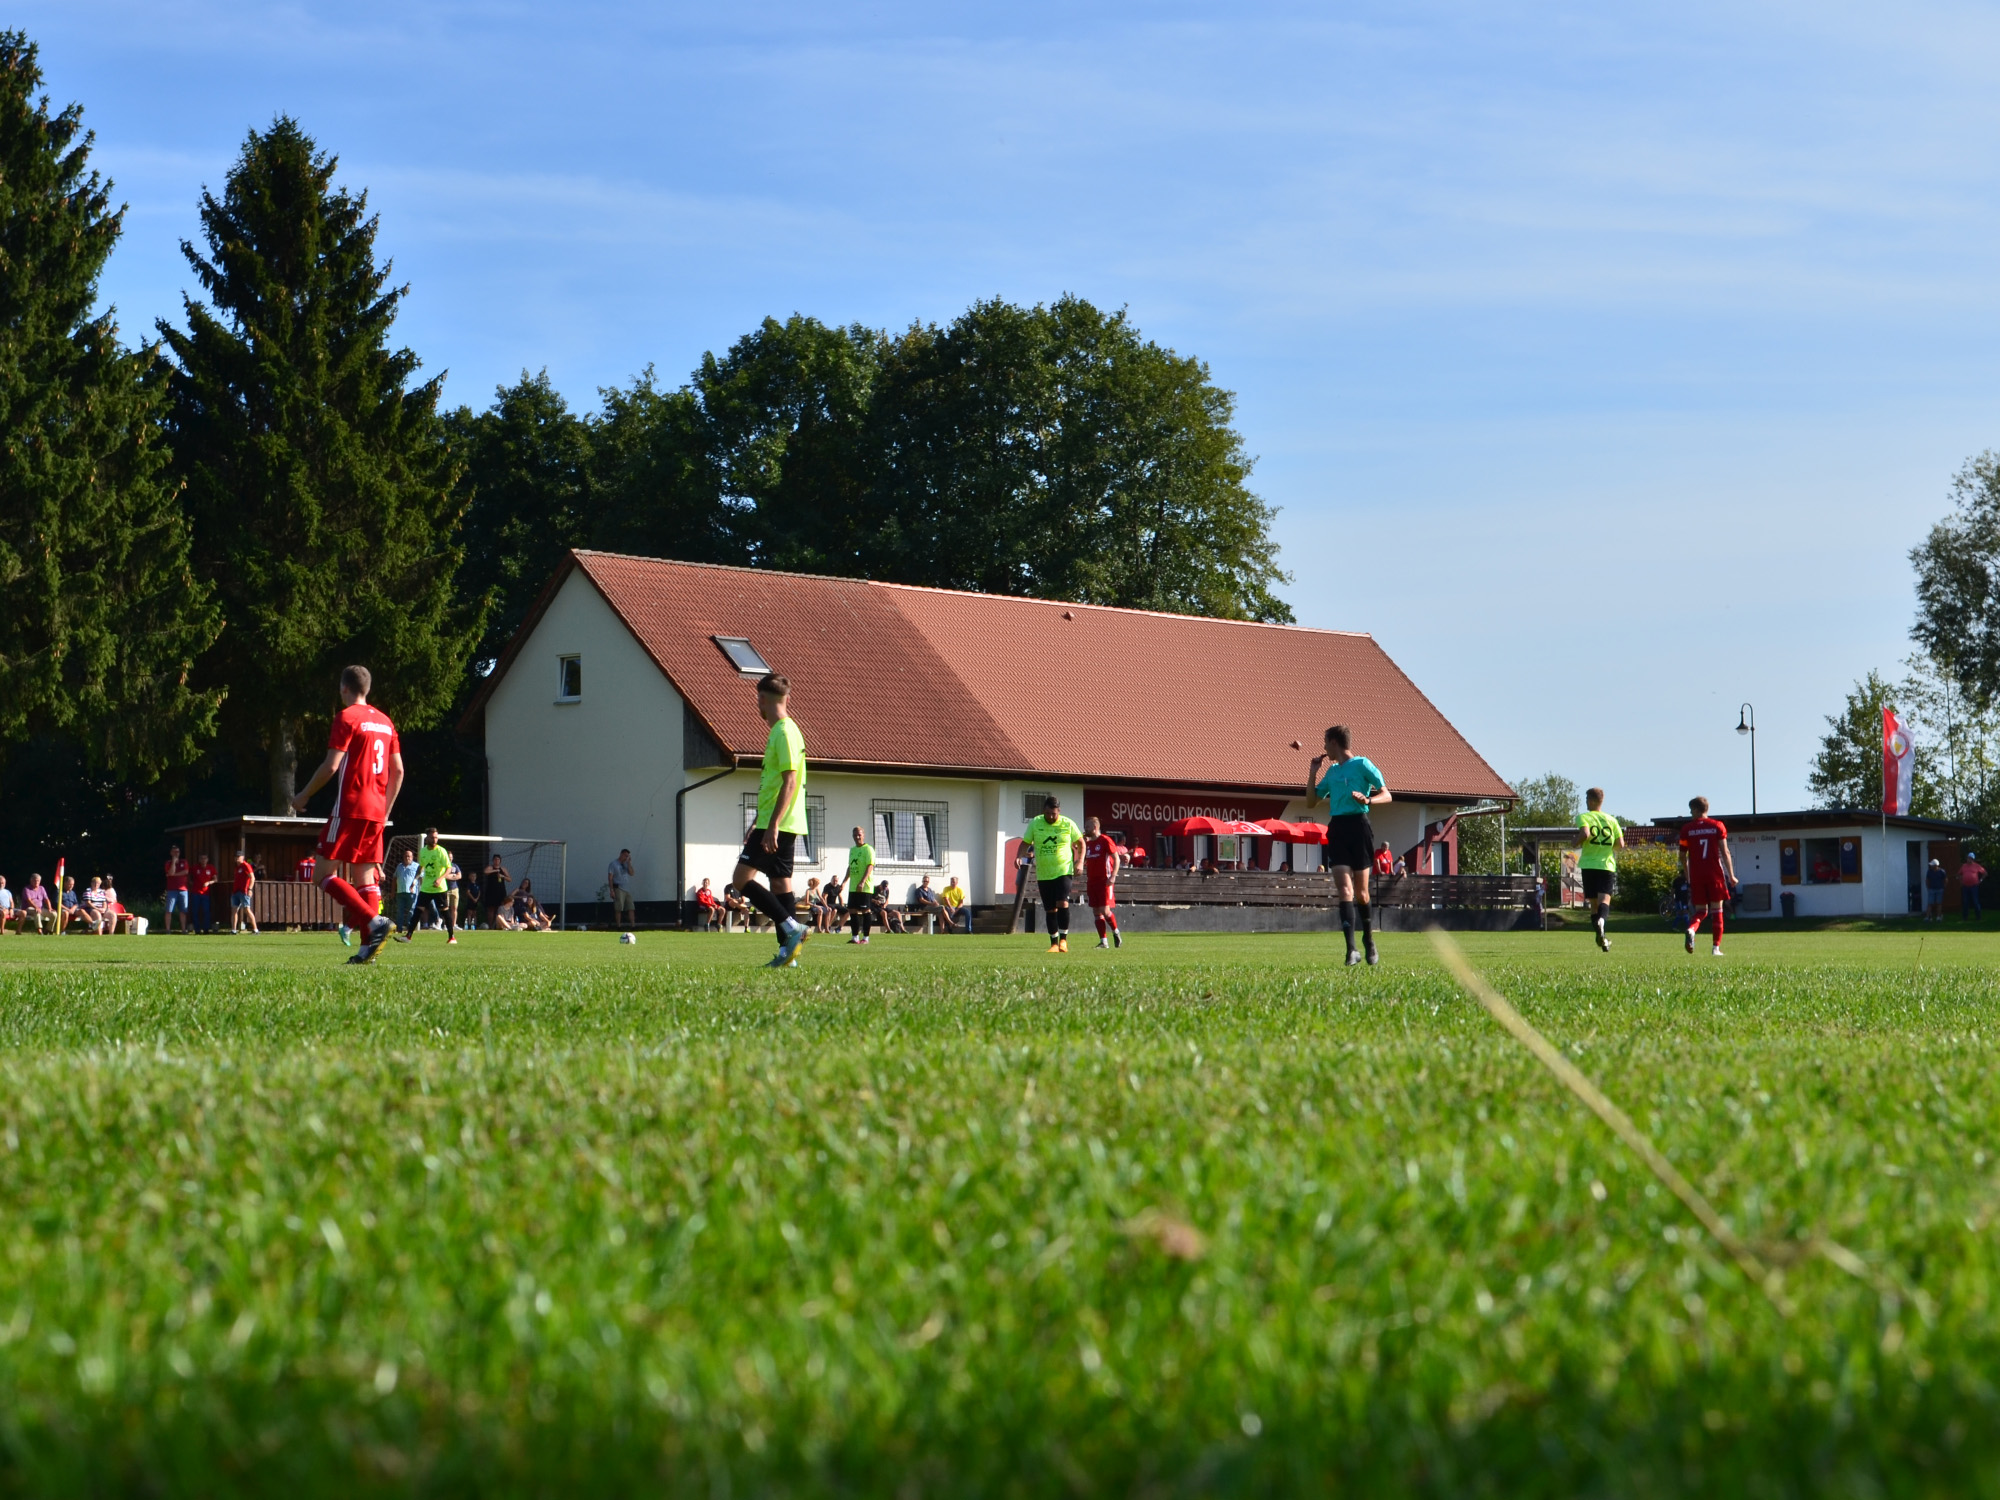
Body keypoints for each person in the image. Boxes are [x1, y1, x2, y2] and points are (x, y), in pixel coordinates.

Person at [289, 665, 402, 964]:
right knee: (366, 880)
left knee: (322, 874)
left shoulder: (347, 717)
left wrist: (303, 795)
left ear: (344, 689)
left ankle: (373, 921)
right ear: (368, 688)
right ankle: (368, 951)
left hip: (351, 807)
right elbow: (398, 770)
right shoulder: (386, 722)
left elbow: (331, 766)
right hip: (377, 811)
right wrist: (385, 810)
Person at [731, 673, 812, 967]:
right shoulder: (783, 730)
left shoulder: (784, 731)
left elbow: (790, 781)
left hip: (778, 822)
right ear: (787, 699)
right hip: (776, 820)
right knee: (780, 884)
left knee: (740, 879)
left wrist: (772, 824)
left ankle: (792, 928)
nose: (758, 705)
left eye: (758, 700)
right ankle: (787, 955)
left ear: (762, 700)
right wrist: (759, 819)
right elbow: (776, 784)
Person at [1310, 724, 1392, 966]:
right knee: (1344, 890)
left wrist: (1368, 799)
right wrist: (1313, 772)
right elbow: (1310, 802)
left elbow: (1387, 794)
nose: (1324, 747)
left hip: (1359, 828)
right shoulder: (1332, 772)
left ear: (1334, 742)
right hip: (1338, 828)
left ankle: (1368, 940)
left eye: (1326, 742)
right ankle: (1351, 950)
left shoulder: (1363, 765)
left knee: (1362, 893)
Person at [1023, 795, 1086, 953]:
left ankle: (1064, 941)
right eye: (1048, 813)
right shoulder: (1036, 823)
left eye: (1054, 814)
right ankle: (1053, 944)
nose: (1051, 817)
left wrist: (1079, 862)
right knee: (1050, 909)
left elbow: (1081, 843)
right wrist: (1019, 856)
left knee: (1062, 902)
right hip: (1044, 872)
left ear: (1059, 811)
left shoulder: (1068, 824)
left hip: (1063, 870)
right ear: (1044, 810)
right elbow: (1025, 843)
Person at [1678, 797, 1735, 955]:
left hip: (1697, 875)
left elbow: (1682, 856)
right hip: (1714, 874)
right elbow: (1725, 852)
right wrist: (1731, 875)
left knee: (1701, 910)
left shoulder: (1687, 829)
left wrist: (1688, 874)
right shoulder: (1717, 826)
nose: (1690, 813)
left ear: (1697, 809)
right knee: (1717, 910)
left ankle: (1691, 929)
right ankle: (1716, 947)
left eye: (1691, 810)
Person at [1576, 787, 1626, 953]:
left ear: (1590, 801)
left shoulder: (1584, 817)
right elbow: (1621, 844)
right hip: (1606, 865)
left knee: (1594, 905)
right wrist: (1607, 849)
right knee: (1605, 901)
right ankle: (1602, 924)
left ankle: (1602, 939)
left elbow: (1585, 833)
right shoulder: (1612, 820)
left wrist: (1574, 842)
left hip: (1589, 864)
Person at [396, 829, 458, 945]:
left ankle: (452, 937)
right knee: (417, 912)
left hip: (439, 888)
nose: (434, 840)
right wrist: (414, 880)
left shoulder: (441, 851)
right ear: (427, 839)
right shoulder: (423, 851)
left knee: (445, 912)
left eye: (436, 837)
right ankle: (408, 936)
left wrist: (440, 879)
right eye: (432, 837)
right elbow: (421, 867)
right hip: (426, 888)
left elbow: (448, 868)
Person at [1084, 817, 1122, 949]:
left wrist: (1113, 876)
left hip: (1104, 880)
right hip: (1092, 882)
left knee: (1105, 911)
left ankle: (1116, 933)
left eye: (1087, 827)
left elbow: (1116, 859)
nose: (1085, 829)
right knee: (1096, 911)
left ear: (1095, 827)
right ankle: (1103, 941)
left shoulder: (1105, 840)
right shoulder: (1088, 844)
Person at [844, 826, 877, 944]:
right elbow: (850, 867)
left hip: (864, 887)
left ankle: (866, 938)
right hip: (853, 886)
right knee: (852, 911)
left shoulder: (868, 849)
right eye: (855, 835)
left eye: (859, 834)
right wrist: (844, 882)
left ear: (863, 835)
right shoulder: (852, 850)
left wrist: (862, 881)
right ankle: (855, 937)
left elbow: (870, 866)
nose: (857, 837)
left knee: (865, 911)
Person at [161, 846, 190, 933]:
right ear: (171, 853)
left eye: (177, 852)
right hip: (172, 890)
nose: (176, 853)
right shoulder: (168, 863)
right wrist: (173, 862)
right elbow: (170, 872)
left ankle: (184, 929)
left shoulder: (184, 862)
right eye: (174, 852)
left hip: (183, 890)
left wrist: (173, 875)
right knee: (169, 910)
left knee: (183, 911)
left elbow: (186, 872)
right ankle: (168, 929)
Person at [479, 855, 512, 929]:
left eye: (498, 859)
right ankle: (490, 926)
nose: (497, 861)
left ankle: (499, 925)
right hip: (491, 891)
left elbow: (510, 879)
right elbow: (485, 871)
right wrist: (495, 870)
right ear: (493, 860)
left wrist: (503, 876)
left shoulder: (503, 869)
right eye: (495, 859)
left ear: (500, 860)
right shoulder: (490, 867)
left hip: (501, 891)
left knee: (500, 908)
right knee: (491, 909)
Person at [229, 850, 259, 933]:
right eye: (236, 857)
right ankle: (233, 930)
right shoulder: (237, 868)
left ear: (243, 857)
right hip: (236, 891)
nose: (237, 858)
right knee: (234, 910)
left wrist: (250, 889)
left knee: (247, 910)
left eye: (239, 856)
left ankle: (255, 929)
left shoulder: (246, 866)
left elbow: (252, 878)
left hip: (244, 891)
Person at [391, 848, 420, 931]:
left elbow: (421, 878)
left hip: (412, 892)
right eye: (406, 856)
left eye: (409, 856)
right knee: (400, 911)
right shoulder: (399, 866)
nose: (407, 858)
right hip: (400, 892)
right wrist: (393, 891)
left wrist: (421, 890)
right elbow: (394, 878)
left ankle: (410, 928)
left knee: (411, 911)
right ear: (403, 857)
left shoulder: (417, 866)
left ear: (412, 857)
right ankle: (399, 928)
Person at [607, 849, 636, 928]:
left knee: (631, 907)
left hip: (627, 888)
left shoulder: (626, 864)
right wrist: (611, 890)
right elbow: (610, 877)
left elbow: (632, 873)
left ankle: (633, 925)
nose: (626, 857)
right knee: (619, 908)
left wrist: (629, 863)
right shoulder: (614, 864)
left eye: (627, 856)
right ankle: (618, 925)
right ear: (621, 854)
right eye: (625, 856)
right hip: (618, 888)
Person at [189, 852, 216, 934]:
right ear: (199, 860)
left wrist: (208, 882)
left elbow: (215, 879)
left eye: (205, 858)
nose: (203, 860)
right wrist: (191, 883)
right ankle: (197, 929)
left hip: (205, 893)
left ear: (207, 860)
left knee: (206, 911)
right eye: (201, 858)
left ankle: (206, 929)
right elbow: (188, 876)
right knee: (195, 911)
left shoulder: (211, 868)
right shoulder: (194, 868)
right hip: (195, 893)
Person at [1959, 851, 1986, 920]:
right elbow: (1959, 874)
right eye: (1968, 858)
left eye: (1970, 858)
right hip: (1965, 886)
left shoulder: (1977, 866)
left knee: (1975, 901)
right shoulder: (1964, 866)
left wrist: (1980, 880)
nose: (1969, 859)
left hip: (1974, 886)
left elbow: (1985, 873)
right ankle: (1965, 917)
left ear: (1973, 859)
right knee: (1965, 902)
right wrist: (1961, 881)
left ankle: (1978, 917)